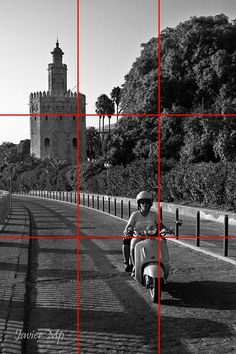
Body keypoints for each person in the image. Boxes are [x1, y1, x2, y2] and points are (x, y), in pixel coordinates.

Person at [122, 191, 166, 274]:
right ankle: (131, 264)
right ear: (139, 204)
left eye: (147, 202)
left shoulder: (154, 215)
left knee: (163, 240)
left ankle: (163, 262)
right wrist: (129, 230)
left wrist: (163, 229)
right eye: (142, 202)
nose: (145, 204)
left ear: (150, 204)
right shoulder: (135, 215)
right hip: (138, 236)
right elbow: (129, 225)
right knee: (128, 241)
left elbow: (160, 225)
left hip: (152, 236)